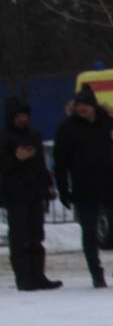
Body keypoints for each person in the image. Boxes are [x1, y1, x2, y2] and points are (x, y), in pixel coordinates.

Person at [53, 87, 113, 288]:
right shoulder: (67, 129)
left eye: (85, 105)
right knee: (89, 231)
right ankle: (96, 273)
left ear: (93, 105)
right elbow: (60, 163)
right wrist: (63, 191)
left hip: (111, 186)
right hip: (84, 189)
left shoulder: (110, 124)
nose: (82, 109)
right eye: (79, 105)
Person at [3, 97, 61, 291]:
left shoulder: (33, 135)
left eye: (25, 115)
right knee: (19, 237)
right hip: (15, 194)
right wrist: (16, 159)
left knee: (36, 235)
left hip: (35, 192)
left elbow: (40, 165)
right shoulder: (5, 138)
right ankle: (24, 277)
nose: (23, 118)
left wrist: (47, 185)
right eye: (19, 115)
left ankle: (38, 274)